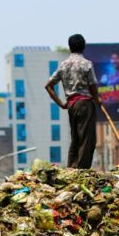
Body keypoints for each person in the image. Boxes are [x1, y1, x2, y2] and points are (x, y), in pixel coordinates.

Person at [45, 33, 102, 169]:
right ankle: (81, 170)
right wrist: (97, 99)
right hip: (85, 104)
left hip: (71, 105)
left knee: (75, 138)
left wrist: (61, 104)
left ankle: (71, 167)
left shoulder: (63, 65)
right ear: (83, 47)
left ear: (70, 47)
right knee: (87, 139)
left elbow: (48, 85)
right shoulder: (86, 64)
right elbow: (92, 85)